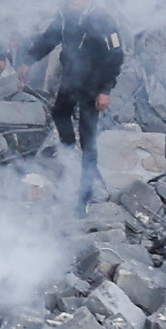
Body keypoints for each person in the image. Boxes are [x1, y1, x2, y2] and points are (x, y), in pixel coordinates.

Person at [40, 10, 126, 199]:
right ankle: (67, 146)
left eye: (77, 0)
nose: (73, 3)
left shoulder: (104, 19)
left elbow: (117, 56)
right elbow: (49, 39)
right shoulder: (65, 15)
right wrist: (28, 60)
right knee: (60, 113)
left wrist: (105, 90)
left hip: (94, 84)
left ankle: (85, 192)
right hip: (71, 79)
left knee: (88, 137)